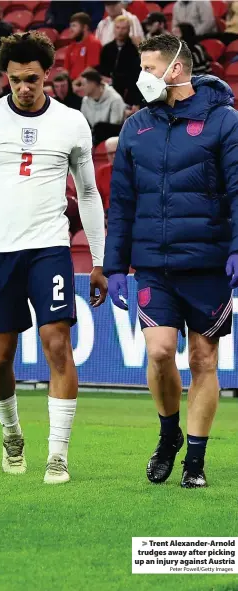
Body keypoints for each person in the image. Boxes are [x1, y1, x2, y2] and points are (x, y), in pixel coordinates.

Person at [0, 31, 107, 485]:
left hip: (50, 248)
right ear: (6, 77)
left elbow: (88, 192)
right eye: (17, 79)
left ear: (49, 78)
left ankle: (57, 455)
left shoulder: (70, 123)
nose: (25, 87)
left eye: (34, 80)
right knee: (0, 357)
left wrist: (97, 259)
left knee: (56, 343)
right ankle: (12, 435)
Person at [103, 34, 238, 489]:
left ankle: (195, 462)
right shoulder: (136, 127)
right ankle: (168, 437)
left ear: (176, 69)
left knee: (204, 360)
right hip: (154, 266)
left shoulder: (225, 122)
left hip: (207, 263)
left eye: (149, 67)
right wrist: (115, 266)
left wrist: (237, 247)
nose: (142, 76)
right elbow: (120, 203)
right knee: (160, 352)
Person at [99, 15, 142, 106]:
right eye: (118, 28)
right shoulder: (107, 48)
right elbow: (102, 70)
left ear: (129, 30)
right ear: (114, 29)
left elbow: (135, 74)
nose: (120, 32)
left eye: (123, 28)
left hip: (129, 89)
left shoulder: (134, 49)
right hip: (108, 88)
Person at [81, 68, 125, 144]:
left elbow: (114, 129)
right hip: (93, 138)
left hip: (112, 141)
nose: (82, 87)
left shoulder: (115, 99)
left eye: (84, 84)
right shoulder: (85, 100)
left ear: (93, 84)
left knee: (100, 128)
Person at [64, 12, 102, 81]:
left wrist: (73, 85)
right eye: (70, 26)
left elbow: (90, 70)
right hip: (72, 85)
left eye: (74, 26)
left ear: (85, 27)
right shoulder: (71, 46)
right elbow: (66, 70)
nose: (70, 30)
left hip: (86, 84)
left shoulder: (93, 43)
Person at [95, 136, 119, 213]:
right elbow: (96, 200)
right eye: (110, 153)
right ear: (107, 155)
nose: (114, 156)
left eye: (116, 152)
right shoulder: (102, 172)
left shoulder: (136, 170)